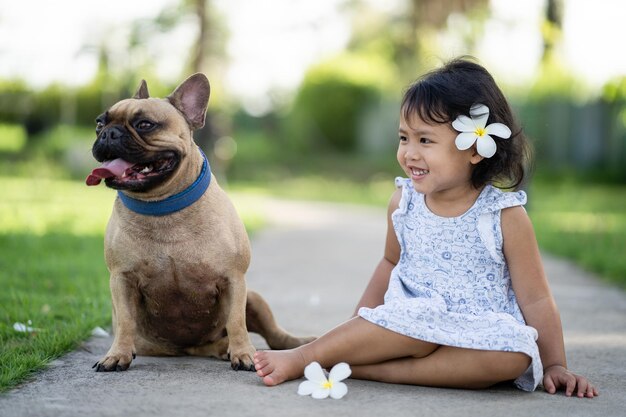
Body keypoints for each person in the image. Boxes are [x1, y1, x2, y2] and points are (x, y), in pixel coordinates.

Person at [254, 57, 598, 397]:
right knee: (411, 327)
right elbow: (389, 264)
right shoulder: (404, 203)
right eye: (404, 138)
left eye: (425, 141)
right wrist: (356, 326)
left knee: (516, 355)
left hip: (475, 330)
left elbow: (536, 298)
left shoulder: (504, 215)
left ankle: (372, 370)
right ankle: (305, 357)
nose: (409, 153)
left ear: (475, 150)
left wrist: (555, 364)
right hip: (410, 321)